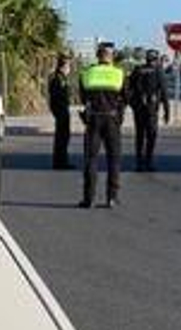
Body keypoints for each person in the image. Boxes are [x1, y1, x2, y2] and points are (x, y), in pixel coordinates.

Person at [78, 44, 126, 208]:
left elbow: (83, 98)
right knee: (114, 159)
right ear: (111, 57)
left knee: (91, 159)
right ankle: (111, 198)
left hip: (93, 120)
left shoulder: (87, 73)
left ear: (97, 56)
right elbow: (126, 98)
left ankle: (89, 198)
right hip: (112, 119)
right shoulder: (119, 74)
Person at [127, 50, 171, 172]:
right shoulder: (158, 71)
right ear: (156, 59)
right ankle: (148, 161)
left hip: (140, 108)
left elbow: (128, 88)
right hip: (151, 109)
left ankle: (140, 162)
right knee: (151, 135)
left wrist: (132, 104)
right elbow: (164, 93)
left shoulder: (138, 70)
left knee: (140, 135)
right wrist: (167, 112)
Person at [48, 55, 73, 170]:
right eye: (68, 65)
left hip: (62, 109)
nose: (70, 68)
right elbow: (56, 95)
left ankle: (62, 161)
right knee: (61, 136)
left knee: (64, 136)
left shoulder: (61, 77)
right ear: (64, 66)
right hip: (60, 109)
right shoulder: (57, 78)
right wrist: (59, 111)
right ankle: (59, 162)